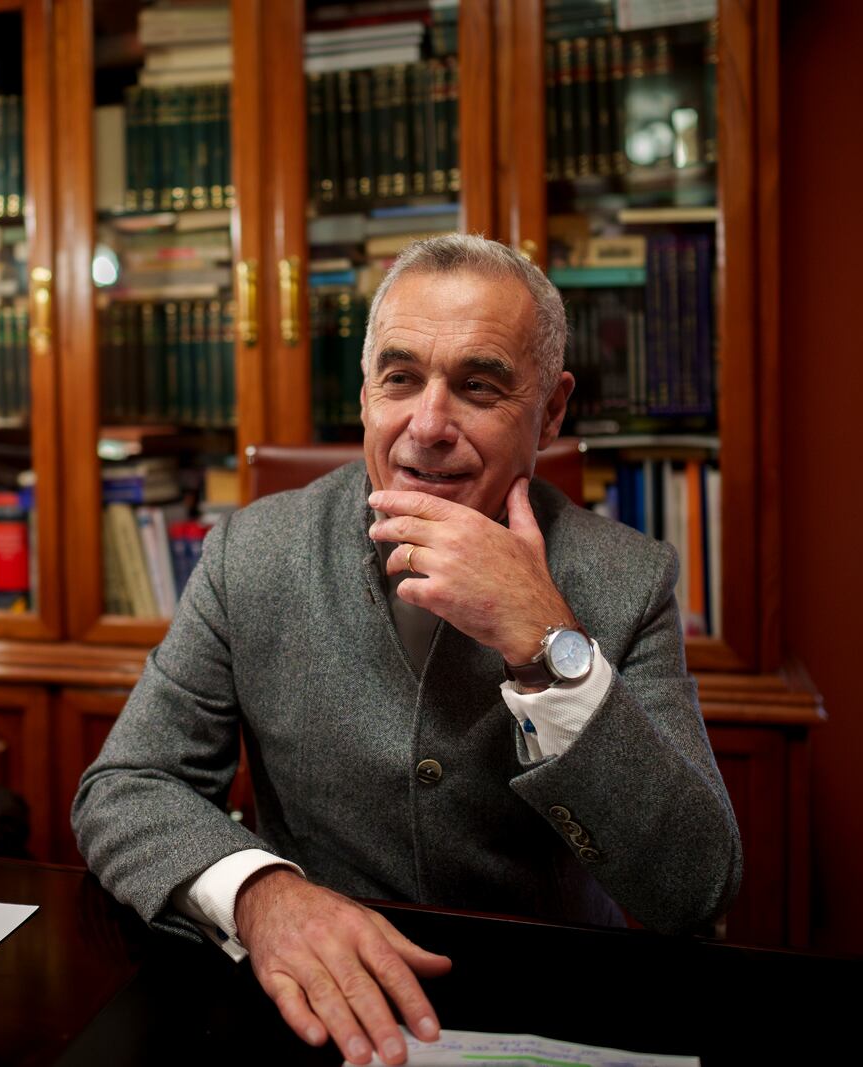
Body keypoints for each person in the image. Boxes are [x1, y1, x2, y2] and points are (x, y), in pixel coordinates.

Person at [73, 234, 741, 1066]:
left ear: (554, 407)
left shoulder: (627, 579)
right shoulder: (252, 551)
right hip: (313, 1004)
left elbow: (694, 889)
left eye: (478, 385)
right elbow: (128, 785)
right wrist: (264, 894)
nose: (428, 426)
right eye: (400, 378)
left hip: (548, 1010)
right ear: (364, 396)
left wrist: (546, 643)